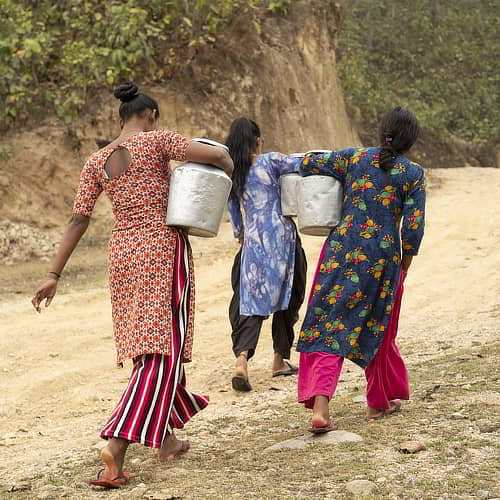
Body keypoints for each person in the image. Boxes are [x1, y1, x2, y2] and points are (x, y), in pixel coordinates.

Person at [31, 82, 234, 488]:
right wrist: (222, 160)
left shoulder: (97, 160)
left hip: (123, 252)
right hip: (162, 247)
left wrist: (53, 274)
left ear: (119, 117)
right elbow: (216, 156)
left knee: (150, 342)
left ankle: (167, 440)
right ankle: (117, 445)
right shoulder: (158, 141)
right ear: (151, 115)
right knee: (163, 348)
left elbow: (78, 220)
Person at [296, 106, 426, 431]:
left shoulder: (354, 158)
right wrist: (404, 266)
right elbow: (413, 229)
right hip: (382, 259)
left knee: (327, 322)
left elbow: (308, 162)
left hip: (340, 252)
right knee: (379, 325)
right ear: (411, 140)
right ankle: (377, 402)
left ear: (382, 131)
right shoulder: (413, 174)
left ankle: (321, 409)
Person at [226, 117, 307, 392]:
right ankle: (279, 359)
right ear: (257, 140)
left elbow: (236, 219)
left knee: (249, 301)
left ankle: (241, 361)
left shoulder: (232, 172)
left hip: (253, 244)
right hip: (282, 240)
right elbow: (303, 164)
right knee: (289, 295)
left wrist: (243, 238)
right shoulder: (270, 161)